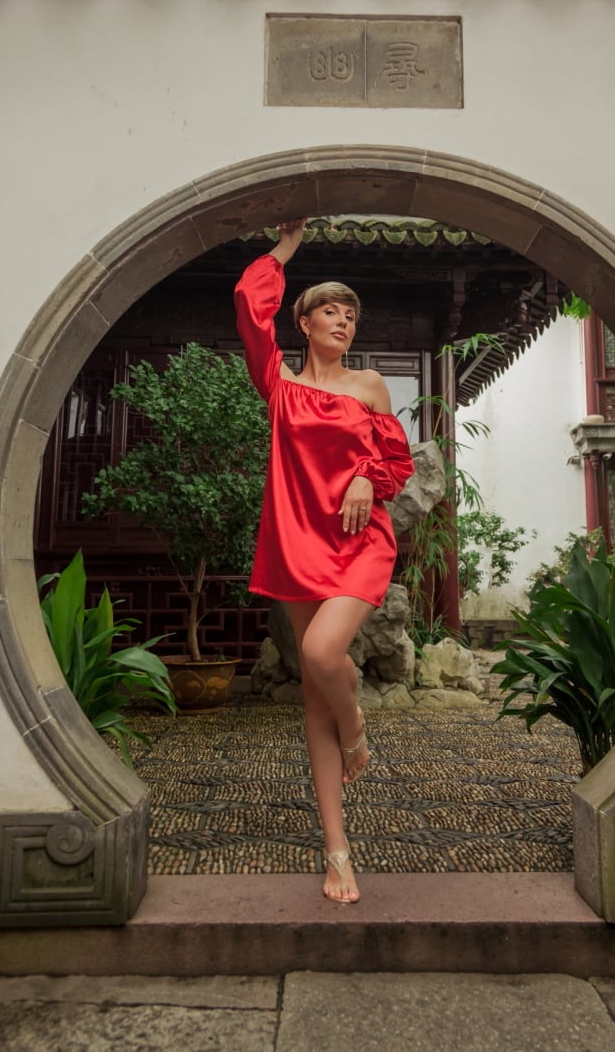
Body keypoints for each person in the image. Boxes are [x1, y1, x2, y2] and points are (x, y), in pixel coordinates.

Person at [234, 218, 414, 904]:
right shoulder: (278, 382)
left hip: (358, 542)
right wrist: (284, 248)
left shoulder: (369, 386)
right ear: (304, 323)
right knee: (313, 689)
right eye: (331, 310)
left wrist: (368, 475)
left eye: (351, 313)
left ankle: (357, 725)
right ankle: (337, 851)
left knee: (322, 650)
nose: (344, 319)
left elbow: (395, 462)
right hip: (298, 542)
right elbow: (249, 305)